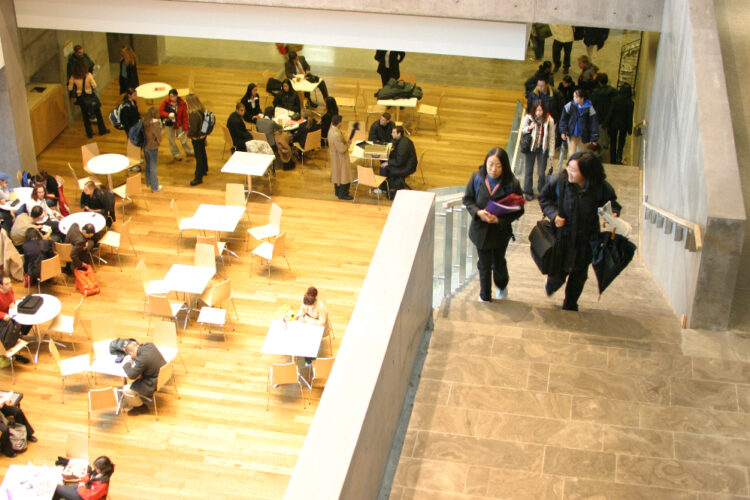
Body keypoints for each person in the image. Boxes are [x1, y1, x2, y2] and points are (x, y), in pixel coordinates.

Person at [539, 151, 620, 311]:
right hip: (562, 238)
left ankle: (570, 305)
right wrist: (554, 215)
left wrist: (613, 213)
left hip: (587, 239)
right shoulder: (560, 181)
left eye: (574, 170)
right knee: (557, 274)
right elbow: (544, 198)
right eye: (569, 167)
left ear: (587, 173)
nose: (570, 172)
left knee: (579, 275)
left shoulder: (599, 187)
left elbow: (612, 203)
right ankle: (552, 284)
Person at [462, 147, 524, 302]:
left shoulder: (512, 184)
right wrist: (478, 212)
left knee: (498, 262)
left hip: (499, 232)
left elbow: (518, 209)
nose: (493, 169)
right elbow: (467, 199)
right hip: (480, 230)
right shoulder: (477, 178)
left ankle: (502, 285)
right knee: (484, 264)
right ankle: (485, 295)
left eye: (498, 166)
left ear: (504, 166)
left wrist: (499, 220)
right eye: (490, 164)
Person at [521, 102, 556, 200]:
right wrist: (529, 127)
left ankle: (542, 190)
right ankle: (528, 191)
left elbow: (552, 137)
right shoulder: (529, 118)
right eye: (537, 110)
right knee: (528, 170)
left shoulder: (549, 120)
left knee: (541, 171)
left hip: (542, 148)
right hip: (531, 148)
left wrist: (551, 153)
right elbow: (522, 129)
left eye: (540, 110)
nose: (538, 112)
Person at [122, 340, 166, 416]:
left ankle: (140, 408)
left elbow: (132, 375)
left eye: (131, 356)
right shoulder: (150, 345)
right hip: (163, 374)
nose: (132, 357)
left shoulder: (142, 360)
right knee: (139, 374)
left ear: (132, 353)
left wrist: (127, 365)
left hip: (154, 382)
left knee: (126, 389)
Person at [67, 61, 109, 139]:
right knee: (98, 114)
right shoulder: (88, 75)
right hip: (90, 95)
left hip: (81, 98)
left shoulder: (73, 77)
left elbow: (70, 87)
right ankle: (102, 130)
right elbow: (94, 85)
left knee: (85, 116)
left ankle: (89, 133)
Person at [379, 126, 418, 198]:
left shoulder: (403, 145)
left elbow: (399, 162)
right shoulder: (403, 140)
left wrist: (388, 162)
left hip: (406, 167)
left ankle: (383, 188)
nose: (391, 134)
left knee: (383, 167)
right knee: (384, 162)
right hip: (407, 163)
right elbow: (395, 146)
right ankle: (386, 185)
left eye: (393, 132)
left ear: (399, 133)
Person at [559, 89, 599, 159]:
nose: (574, 99)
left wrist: (594, 138)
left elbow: (594, 123)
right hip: (572, 134)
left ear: (582, 98)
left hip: (583, 135)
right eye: (574, 97)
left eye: (576, 97)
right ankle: (571, 168)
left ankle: (580, 168)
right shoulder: (570, 105)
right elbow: (563, 119)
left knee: (582, 155)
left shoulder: (589, 107)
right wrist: (563, 131)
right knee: (571, 154)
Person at [0, 275, 33, 359]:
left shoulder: (10, 290)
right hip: (3, 318)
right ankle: (9, 343)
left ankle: (19, 334)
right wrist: (3, 315)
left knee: (28, 318)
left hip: (10, 314)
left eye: (10, 282)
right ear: (1, 286)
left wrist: (12, 302)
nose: (10, 285)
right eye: (7, 284)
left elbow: (12, 299)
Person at [297, 286, 330, 363]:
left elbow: (322, 322)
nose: (308, 307)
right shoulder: (305, 300)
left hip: (318, 326)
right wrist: (300, 316)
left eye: (309, 306)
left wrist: (307, 320)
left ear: (314, 302)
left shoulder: (321, 307)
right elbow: (302, 309)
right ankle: (301, 353)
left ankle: (309, 362)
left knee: (309, 342)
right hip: (307, 322)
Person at [159, 89, 194, 161]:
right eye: (170, 97)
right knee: (171, 139)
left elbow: (185, 116)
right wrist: (168, 115)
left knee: (183, 138)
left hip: (179, 123)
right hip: (169, 124)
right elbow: (160, 111)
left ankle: (189, 151)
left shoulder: (182, 103)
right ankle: (176, 153)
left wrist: (186, 127)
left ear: (176, 96)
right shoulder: (166, 103)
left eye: (173, 96)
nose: (172, 98)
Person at [605, 84, 634, 165]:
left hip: (614, 124)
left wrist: (605, 123)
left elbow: (611, 112)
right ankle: (619, 156)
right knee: (621, 141)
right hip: (624, 125)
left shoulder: (615, 100)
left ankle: (613, 159)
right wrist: (630, 129)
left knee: (613, 141)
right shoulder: (631, 103)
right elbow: (630, 117)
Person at [327, 115, 354, 200]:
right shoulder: (336, 134)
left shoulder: (332, 130)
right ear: (339, 123)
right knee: (344, 175)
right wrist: (348, 144)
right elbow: (342, 149)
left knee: (337, 174)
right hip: (340, 157)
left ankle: (338, 192)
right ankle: (343, 194)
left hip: (335, 156)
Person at [186, 94, 209, 186]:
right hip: (203, 135)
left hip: (197, 137)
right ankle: (204, 169)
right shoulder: (201, 109)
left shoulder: (193, 114)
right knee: (202, 152)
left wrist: (188, 135)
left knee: (198, 156)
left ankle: (198, 177)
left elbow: (193, 129)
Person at [590, 73, 618, 150]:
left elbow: (592, 105)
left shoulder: (596, 93)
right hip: (611, 115)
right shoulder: (614, 91)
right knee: (608, 131)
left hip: (600, 115)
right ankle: (607, 143)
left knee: (601, 131)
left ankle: (603, 145)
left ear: (599, 82)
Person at [143, 107, 163, 192]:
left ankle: (148, 182)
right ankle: (154, 187)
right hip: (152, 147)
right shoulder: (155, 123)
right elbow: (158, 136)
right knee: (153, 166)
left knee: (148, 164)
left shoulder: (145, 121)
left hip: (145, 145)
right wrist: (159, 140)